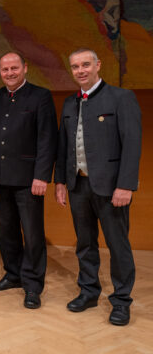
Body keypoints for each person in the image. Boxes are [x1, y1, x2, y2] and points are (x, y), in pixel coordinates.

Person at [55, 48, 141, 326]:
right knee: (85, 243)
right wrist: (60, 181)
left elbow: (132, 145)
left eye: (85, 65)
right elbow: (63, 146)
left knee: (118, 245)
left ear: (97, 65)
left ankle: (121, 301)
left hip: (112, 188)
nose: (80, 70)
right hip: (78, 185)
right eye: (75, 66)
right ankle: (89, 291)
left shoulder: (121, 97)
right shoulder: (69, 103)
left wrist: (125, 185)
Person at [0, 52, 57, 309]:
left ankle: (32, 285)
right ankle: (13, 275)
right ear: (0, 72)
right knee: (6, 231)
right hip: (0, 177)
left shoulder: (40, 96)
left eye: (14, 68)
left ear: (25, 68)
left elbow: (47, 139)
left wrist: (42, 175)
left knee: (32, 235)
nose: (10, 73)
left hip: (28, 179)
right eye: (5, 69)